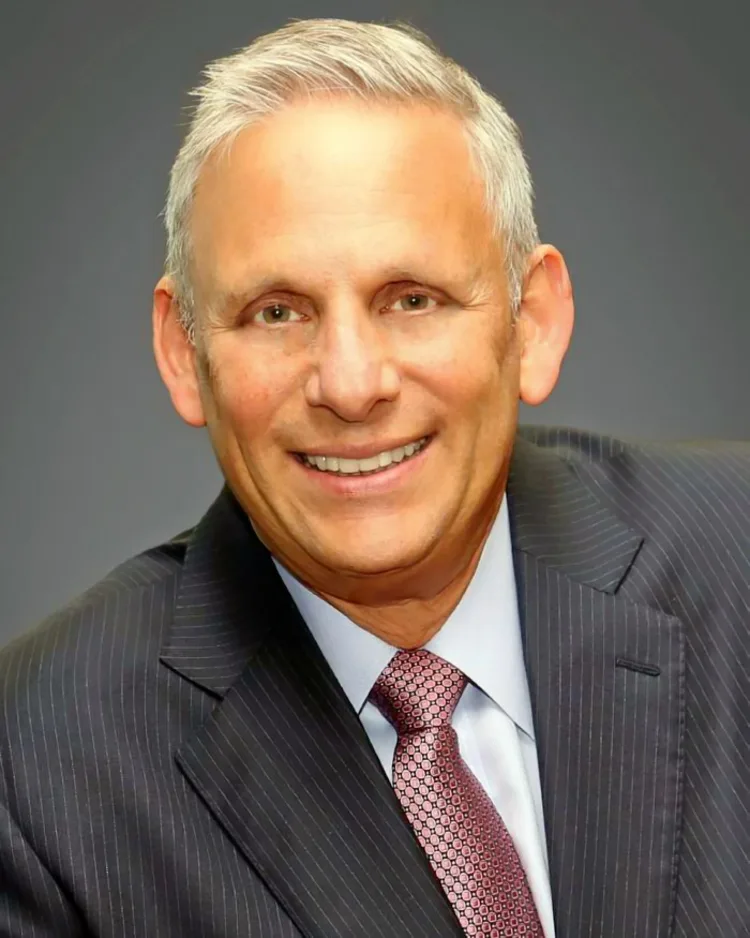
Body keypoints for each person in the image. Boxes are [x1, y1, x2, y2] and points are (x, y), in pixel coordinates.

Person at [1, 17, 748, 938]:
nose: (351, 385)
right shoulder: (35, 770)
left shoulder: (738, 560)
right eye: (277, 312)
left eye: (412, 299)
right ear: (182, 350)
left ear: (534, 323)